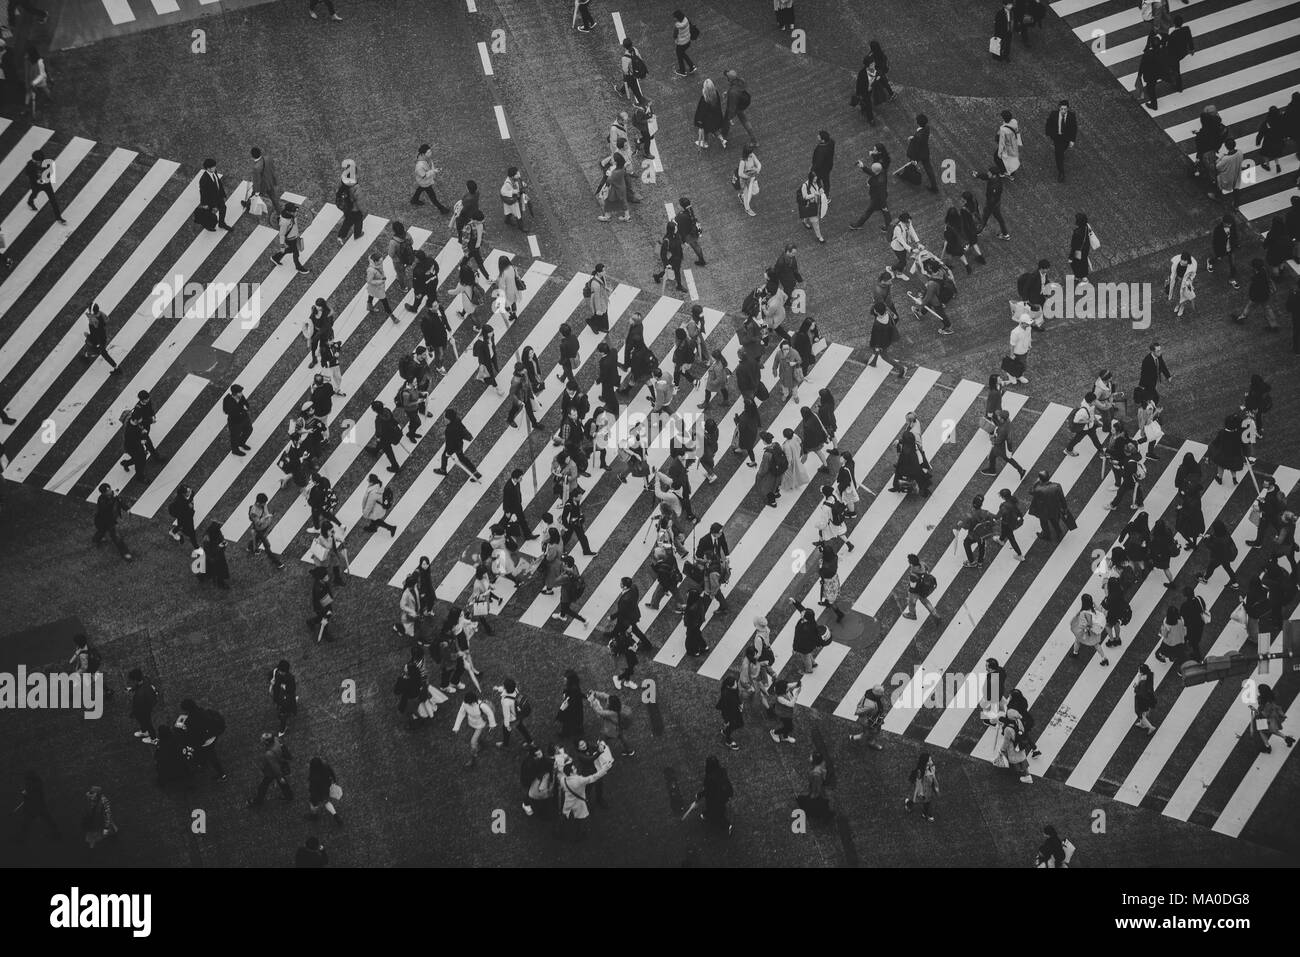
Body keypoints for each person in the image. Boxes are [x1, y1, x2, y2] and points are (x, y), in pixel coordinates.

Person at [1249, 684, 1296, 754]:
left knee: (1261, 731)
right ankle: (1287, 738)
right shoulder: (1270, 697)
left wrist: (1255, 710)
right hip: (1272, 716)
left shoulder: (1264, 701)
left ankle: (1267, 747)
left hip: (1264, 718)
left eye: (1259, 690)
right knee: (1273, 730)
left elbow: (1264, 713)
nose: (1258, 691)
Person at [1236, 258, 1279, 330]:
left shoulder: (1256, 278)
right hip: (1265, 294)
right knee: (1267, 309)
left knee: (1249, 306)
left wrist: (1252, 296)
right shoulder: (1264, 271)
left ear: (1254, 267)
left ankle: (1242, 318)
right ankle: (1274, 325)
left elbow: (1254, 289)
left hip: (1257, 296)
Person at [92, 484, 132, 561]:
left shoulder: (113, 495)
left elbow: (120, 502)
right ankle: (125, 553)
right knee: (116, 537)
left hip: (110, 520)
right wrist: (114, 498)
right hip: (104, 521)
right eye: (108, 491)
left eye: (109, 489)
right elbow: (106, 508)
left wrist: (127, 509)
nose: (110, 491)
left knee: (102, 532)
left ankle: (96, 539)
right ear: (103, 493)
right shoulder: (101, 500)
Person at [1044, 99, 1078, 183]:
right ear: (1059, 108)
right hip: (1057, 138)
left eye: (1065, 109)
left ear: (1068, 109)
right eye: (1062, 109)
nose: (1063, 111)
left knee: (1062, 151)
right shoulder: (1054, 114)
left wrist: (1072, 140)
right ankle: (1061, 172)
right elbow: (1048, 124)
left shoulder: (1071, 116)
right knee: (1059, 155)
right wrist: (1050, 134)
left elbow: (1074, 128)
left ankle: (1061, 155)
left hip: (1066, 138)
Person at [305, 756, 342, 826]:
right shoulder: (325, 765)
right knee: (326, 802)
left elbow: (312, 789)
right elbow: (332, 772)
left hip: (317, 793)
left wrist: (312, 796)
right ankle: (335, 815)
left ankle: (314, 816)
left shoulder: (314, 776)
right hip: (326, 789)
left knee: (313, 804)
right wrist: (334, 781)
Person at [694, 77, 728, 149]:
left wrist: (699, 121)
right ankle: (722, 139)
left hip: (707, 120)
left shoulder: (704, 99)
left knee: (705, 131)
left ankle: (705, 143)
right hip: (716, 117)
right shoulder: (716, 93)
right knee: (715, 129)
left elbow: (701, 111)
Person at [82, 786, 119, 851]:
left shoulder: (104, 801)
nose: (91, 796)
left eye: (93, 794)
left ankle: (112, 832)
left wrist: (106, 827)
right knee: (92, 829)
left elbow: (107, 815)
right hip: (93, 817)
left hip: (100, 818)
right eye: (91, 794)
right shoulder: (89, 796)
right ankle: (92, 840)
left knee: (107, 830)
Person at [197, 157, 229, 230]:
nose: (215, 167)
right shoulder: (203, 180)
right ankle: (208, 226)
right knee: (210, 214)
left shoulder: (214, 171)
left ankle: (221, 223)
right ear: (208, 169)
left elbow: (218, 182)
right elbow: (203, 193)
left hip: (218, 196)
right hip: (210, 200)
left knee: (223, 208)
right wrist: (204, 204)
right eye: (213, 167)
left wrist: (222, 193)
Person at [905, 753, 939, 819]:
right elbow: (918, 783)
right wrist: (921, 793)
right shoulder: (920, 772)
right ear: (925, 762)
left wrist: (935, 786)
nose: (931, 762)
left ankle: (925, 813)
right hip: (922, 790)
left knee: (927, 802)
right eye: (929, 761)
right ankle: (909, 804)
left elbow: (933, 777)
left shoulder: (932, 768)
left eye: (931, 760)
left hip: (928, 789)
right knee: (916, 800)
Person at [223, 384, 253, 456]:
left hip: (244, 419)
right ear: (235, 393)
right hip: (235, 422)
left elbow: (246, 404)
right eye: (239, 392)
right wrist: (241, 410)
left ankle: (241, 443)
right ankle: (235, 450)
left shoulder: (240, 396)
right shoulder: (227, 400)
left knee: (249, 430)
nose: (241, 393)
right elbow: (226, 411)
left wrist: (246, 407)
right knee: (234, 436)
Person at [269, 660, 298, 735]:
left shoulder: (290, 678)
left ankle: (282, 730)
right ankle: (282, 729)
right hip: (280, 696)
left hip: (285, 698)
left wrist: (283, 687)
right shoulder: (278, 673)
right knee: (284, 711)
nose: (280, 672)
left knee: (283, 714)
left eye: (282, 671)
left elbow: (291, 690)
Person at [736, 144, 762, 217]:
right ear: (746, 153)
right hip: (745, 179)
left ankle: (742, 196)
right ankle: (747, 208)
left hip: (752, 176)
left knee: (756, 191)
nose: (751, 154)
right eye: (750, 152)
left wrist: (758, 169)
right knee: (748, 195)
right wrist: (748, 177)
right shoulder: (742, 162)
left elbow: (758, 163)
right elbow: (740, 173)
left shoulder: (752, 155)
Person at [1068, 212, 1093, 285]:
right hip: (1085, 248)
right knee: (1083, 261)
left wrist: (1070, 257)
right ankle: (1081, 276)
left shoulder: (1077, 232)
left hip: (1079, 251)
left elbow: (1074, 246)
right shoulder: (1087, 227)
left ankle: (1082, 277)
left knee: (1075, 263)